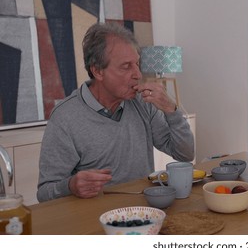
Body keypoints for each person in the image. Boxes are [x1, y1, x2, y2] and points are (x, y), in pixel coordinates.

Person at [37, 22, 195, 202]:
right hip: (92, 219)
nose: (138, 74)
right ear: (97, 71)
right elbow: (44, 193)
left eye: (137, 64)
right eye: (126, 66)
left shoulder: (142, 103)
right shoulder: (65, 117)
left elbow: (185, 154)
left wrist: (171, 109)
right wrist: (70, 185)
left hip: (141, 211)